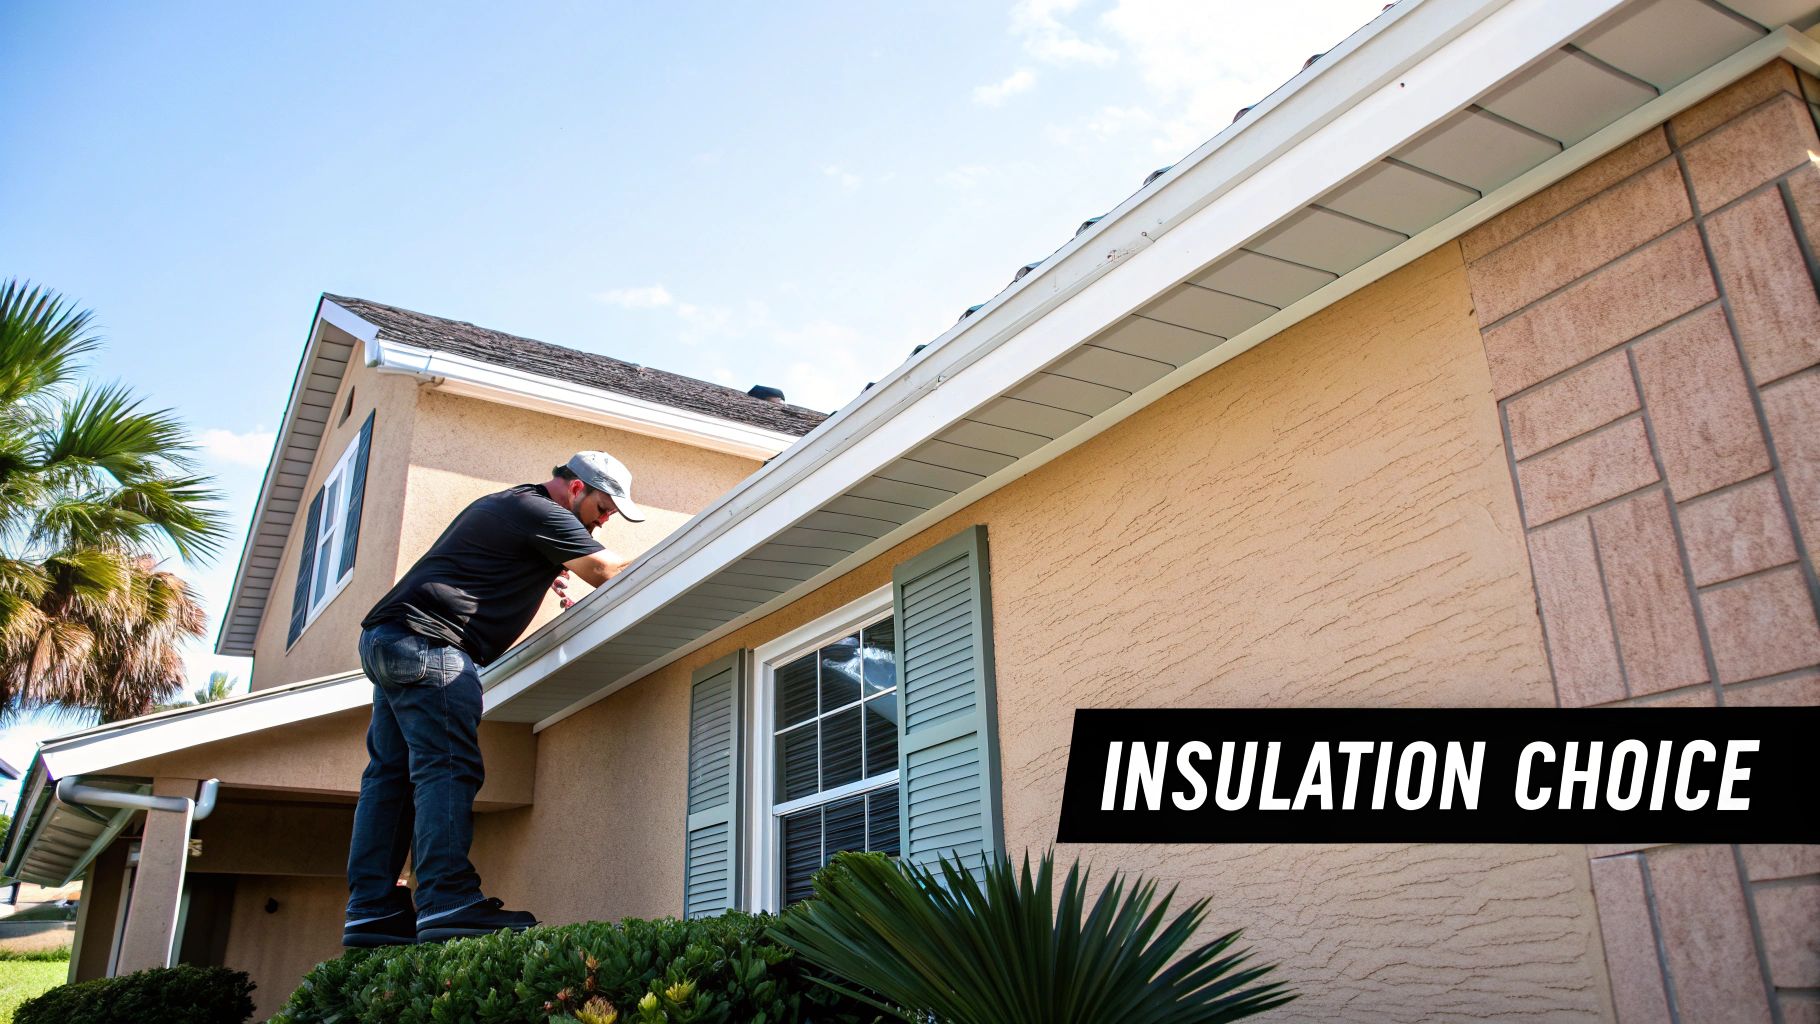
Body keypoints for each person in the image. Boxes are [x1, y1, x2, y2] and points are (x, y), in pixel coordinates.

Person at [342, 451, 643, 946]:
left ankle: (371, 911)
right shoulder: (540, 512)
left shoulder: (513, 506)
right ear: (575, 489)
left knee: (390, 778)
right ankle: (447, 901)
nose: (605, 521)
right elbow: (604, 570)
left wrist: (543, 566)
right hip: (431, 645)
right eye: (604, 508)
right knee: (447, 766)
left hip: (389, 641)